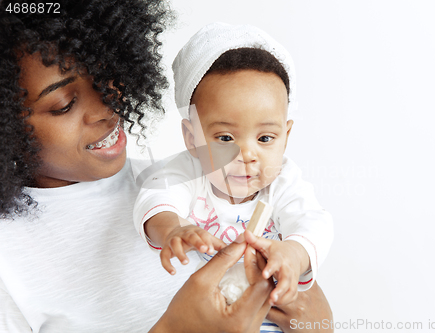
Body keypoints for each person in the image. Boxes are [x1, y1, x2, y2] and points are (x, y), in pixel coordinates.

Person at [0, 1, 333, 332]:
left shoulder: (182, 183)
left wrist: (312, 315)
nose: (107, 106)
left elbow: (312, 315)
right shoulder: (8, 259)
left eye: (104, 79)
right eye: (64, 105)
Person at [134, 23, 334, 332]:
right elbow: (157, 197)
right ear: (192, 138)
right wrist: (172, 228)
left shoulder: (283, 182)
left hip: (270, 317)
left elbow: (313, 221)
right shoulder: (187, 171)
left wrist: (294, 254)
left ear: (286, 135)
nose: (247, 154)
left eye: (265, 138)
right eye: (226, 138)